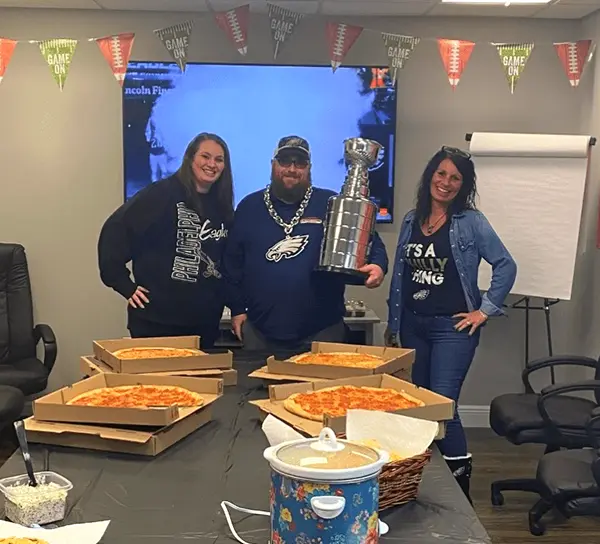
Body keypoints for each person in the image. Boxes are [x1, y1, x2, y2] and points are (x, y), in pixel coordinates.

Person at [385, 146, 517, 502]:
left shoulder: (470, 222)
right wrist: (394, 325)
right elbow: (401, 277)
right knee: (421, 406)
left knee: (444, 407)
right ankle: (425, 486)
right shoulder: (413, 219)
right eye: (440, 174)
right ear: (430, 176)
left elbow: (506, 265)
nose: (445, 182)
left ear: (464, 185)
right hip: (413, 326)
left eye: (455, 178)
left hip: (451, 330)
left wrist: (485, 309)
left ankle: (461, 493)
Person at [223, 136, 388, 352]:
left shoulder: (330, 203)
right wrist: (237, 309)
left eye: (299, 163)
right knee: (256, 386)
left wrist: (378, 265)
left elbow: (371, 242)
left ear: (309, 168)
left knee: (326, 387)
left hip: (322, 332)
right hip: (260, 332)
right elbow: (231, 264)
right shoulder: (249, 207)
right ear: (273, 164)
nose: (292, 169)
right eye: (285, 161)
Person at [98, 132, 234, 348]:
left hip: (204, 325)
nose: (212, 164)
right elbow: (115, 230)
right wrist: (124, 285)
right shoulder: (161, 194)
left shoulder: (222, 207)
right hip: (157, 323)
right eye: (205, 157)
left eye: (219, 159)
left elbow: (228, 263)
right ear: (190, 159)